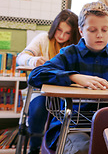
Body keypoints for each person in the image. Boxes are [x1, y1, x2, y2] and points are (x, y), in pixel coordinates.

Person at [28, 2, 108, 153]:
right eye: (92, 30)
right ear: (81, 31)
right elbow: (35, 75)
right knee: (82, 150)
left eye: (105, 30)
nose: (99, 35)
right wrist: (73, 77)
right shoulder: (69, 53)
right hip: (73, 127)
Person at [17, 9, 81, 154]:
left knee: (70, 115)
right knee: (39, 109)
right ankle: (34, 147)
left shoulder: (76, 47)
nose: (61, 36)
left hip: (67, 93)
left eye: (67, 33)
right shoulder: (43, 39)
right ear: (54, 27)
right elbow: (21, 57)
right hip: (42, 91)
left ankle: (58, 146)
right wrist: (34, 60)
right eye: (59, 30)